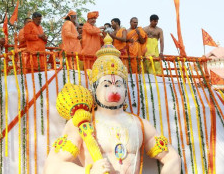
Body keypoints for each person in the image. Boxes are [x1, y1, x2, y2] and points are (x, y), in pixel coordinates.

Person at [43, 37, 181, 174]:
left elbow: (172, 158)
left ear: (126, 88)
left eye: (118, 84)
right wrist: (89, 171)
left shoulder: (139, 124)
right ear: (94, 88)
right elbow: (52, 166)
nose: (114, 90)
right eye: (107, 85)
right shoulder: (81, 123)